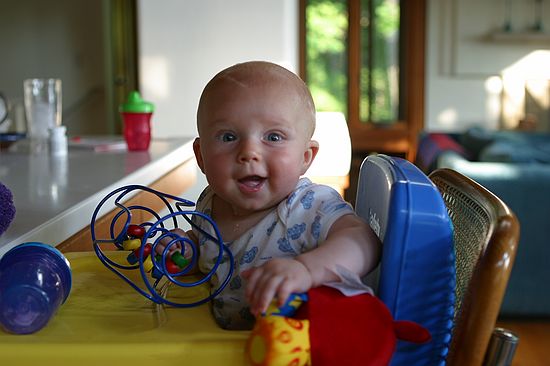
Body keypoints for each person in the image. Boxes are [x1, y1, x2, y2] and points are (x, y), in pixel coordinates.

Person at [179, 61, 380, 330]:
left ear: (305, 158)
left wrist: (307, 270)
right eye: (228, 137)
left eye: (273, 137)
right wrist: (186, 250)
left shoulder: (310, 206)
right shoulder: (208, 203)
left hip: (290, 350)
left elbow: (363, 240)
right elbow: (207, 251)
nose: (249, 152)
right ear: (201, 156)